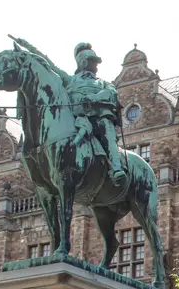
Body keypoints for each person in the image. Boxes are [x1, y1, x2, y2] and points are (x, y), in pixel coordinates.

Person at [8, 36, 128, 188]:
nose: (96, 66)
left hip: (97, 119)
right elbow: (47, 63)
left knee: (108, 131)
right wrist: (28, 47)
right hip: (76, 120)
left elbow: (112, 94)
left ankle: (116, 168)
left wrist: (94, 97)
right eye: (93, 61)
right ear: (84, 62)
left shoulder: (103, 83)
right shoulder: (70, 80)